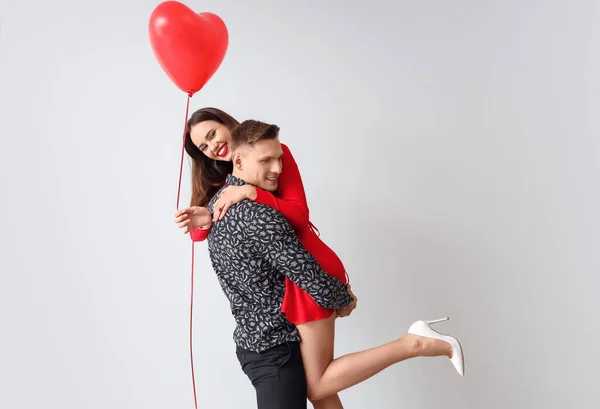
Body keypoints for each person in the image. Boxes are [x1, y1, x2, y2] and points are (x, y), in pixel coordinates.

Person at [175, 112, 465, 408]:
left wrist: (252, 193)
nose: (212, 148)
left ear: (226, 125)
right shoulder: (227, 187)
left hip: (307, 270)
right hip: (296, 275)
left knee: (319, 384)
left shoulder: (268, 160)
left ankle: (414, 342)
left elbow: (299, 216)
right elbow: (206, 236)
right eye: (203, 147)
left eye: (212, 135)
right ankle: (414, 342)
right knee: (323, 392)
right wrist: (210, 216)